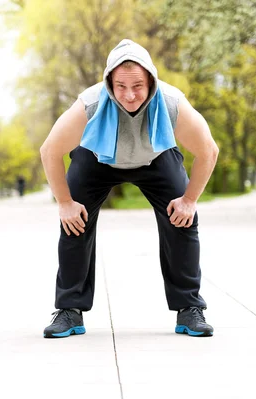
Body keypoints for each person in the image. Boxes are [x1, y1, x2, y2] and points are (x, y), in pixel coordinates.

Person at [39, 39, 219, 339]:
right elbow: (49, 150)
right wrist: (65, 203)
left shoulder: (172, 102)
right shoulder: (91, 102)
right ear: (109, 82)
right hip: (97, 156)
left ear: (151, 80)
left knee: (183, 218)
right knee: (74, 222)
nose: (130, 94)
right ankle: (70, 311)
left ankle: (189, 308)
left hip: (156, 156)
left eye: (137, 85)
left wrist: (189, 200)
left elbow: (208, 151)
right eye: (120, 86)